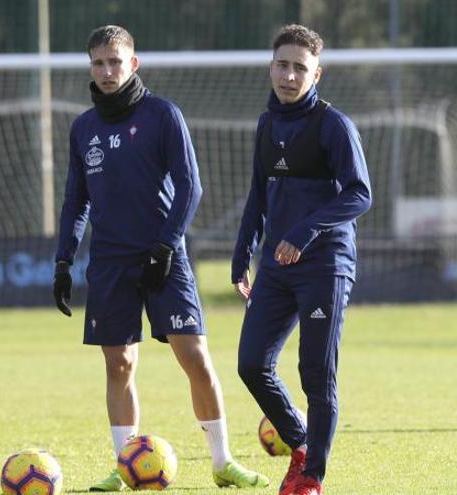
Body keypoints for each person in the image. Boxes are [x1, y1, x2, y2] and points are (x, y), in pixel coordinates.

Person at [53, 25, 269, 491]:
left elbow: (190, 186)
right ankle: (124, 464)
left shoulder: (163, 115)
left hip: (163, 257)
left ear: (134, 63)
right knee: (119, 364)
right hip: (110, 261)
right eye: (98, 63)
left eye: (115, 61)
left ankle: (222, 460)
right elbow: (76, 200)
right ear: (90, 67)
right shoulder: (83, 128)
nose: (107, 71)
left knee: (193, 355)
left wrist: (167, 245)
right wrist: (63, 260)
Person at [231, 24, 372, 495]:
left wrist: (306, 230)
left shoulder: (333, 126)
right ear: (270, 67)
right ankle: (301, 445)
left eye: (300, 68)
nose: (289, 76)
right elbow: (258, 193)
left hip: (325, 265)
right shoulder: (267, 124)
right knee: (252, 363)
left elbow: (359, 194)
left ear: (317, 74)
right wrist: (241, 254)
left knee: (315, 372)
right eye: (283, 65)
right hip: (275, 267)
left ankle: (312, 478)